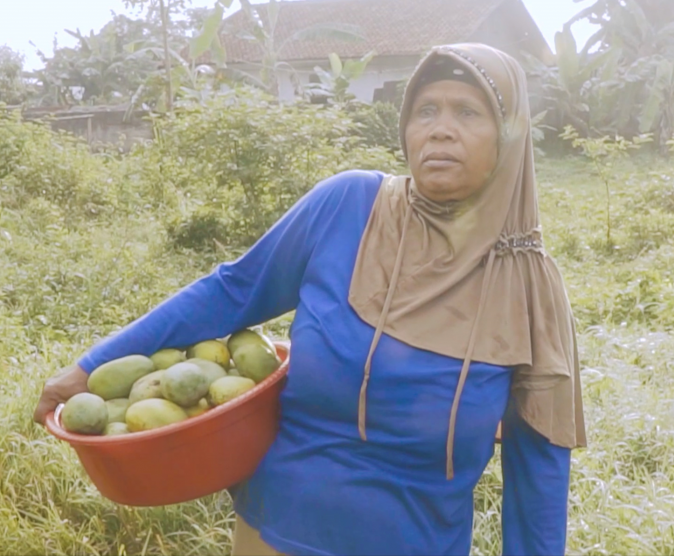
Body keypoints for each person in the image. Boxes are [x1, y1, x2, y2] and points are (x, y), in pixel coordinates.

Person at [33, 43, 587, 556]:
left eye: (468, 113)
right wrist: (87, 368)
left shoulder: (527, 287)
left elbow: (539, 466)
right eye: (425, 110)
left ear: (509, 136)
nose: (440, 130)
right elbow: (231, 290)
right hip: (271, 533)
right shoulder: (349, 206)